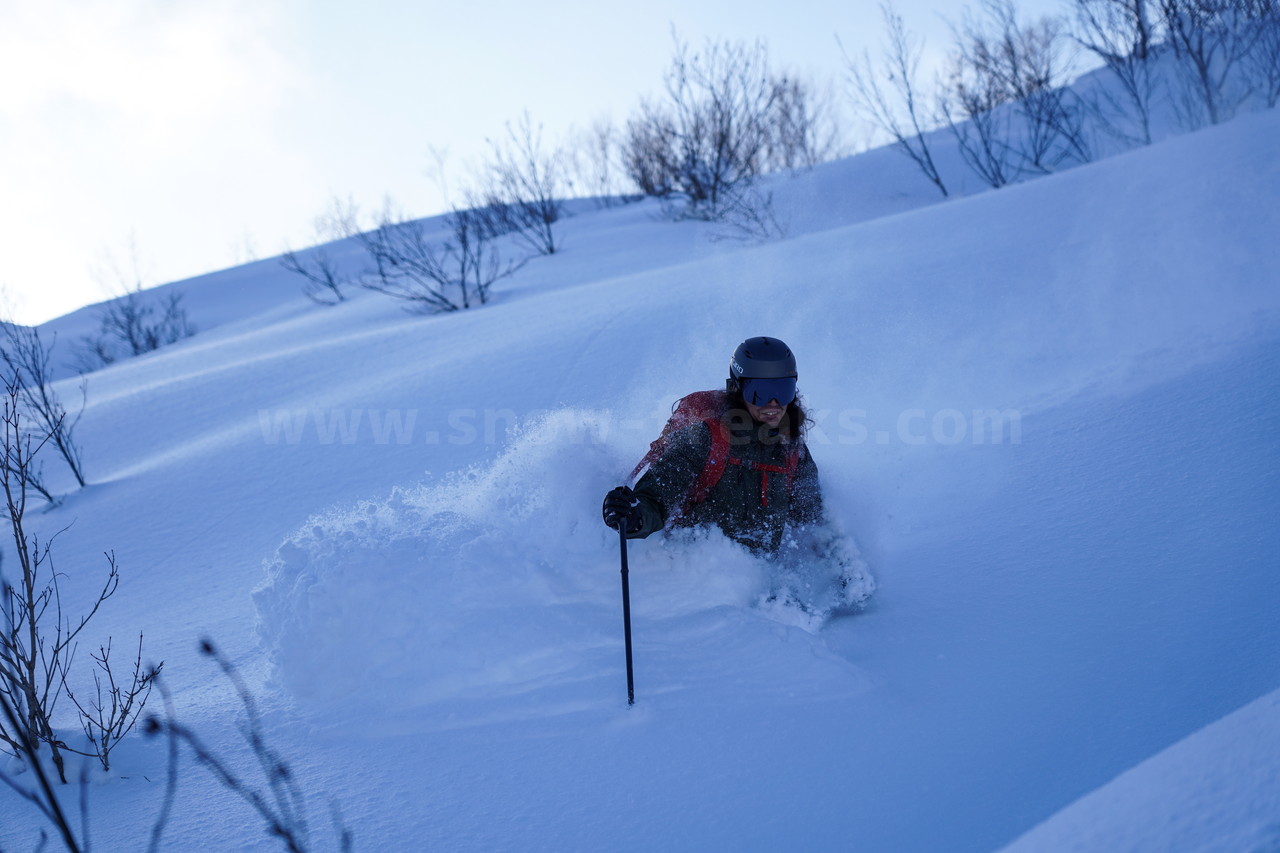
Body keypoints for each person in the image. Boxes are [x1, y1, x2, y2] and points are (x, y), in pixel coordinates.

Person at [602, 336, 824, 555]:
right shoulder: (704, 438)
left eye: (783, 390)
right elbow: (656, 500)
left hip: (763, 580)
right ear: (737, 389)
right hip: (697, 576)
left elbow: (812, 525)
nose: (773, 403)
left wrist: (838, 568)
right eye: (760, 392)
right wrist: (633, 518)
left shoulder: (793, 452)